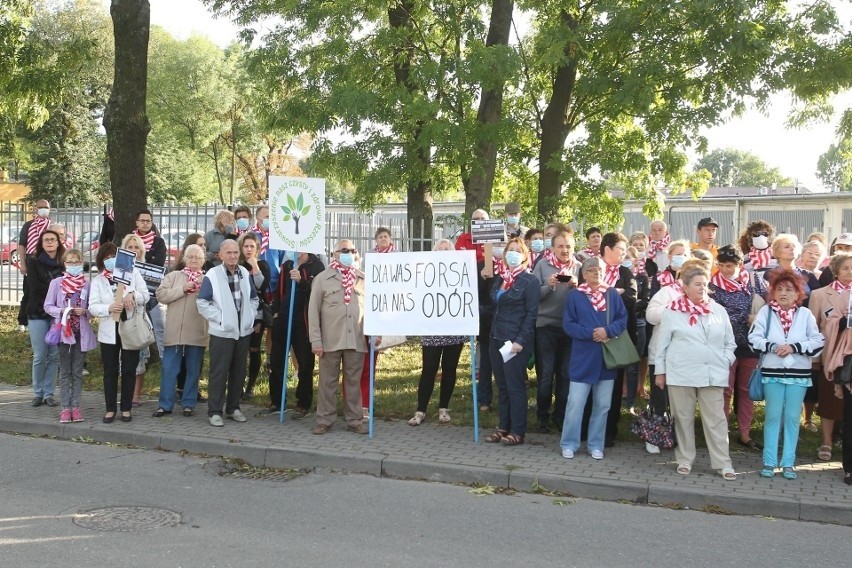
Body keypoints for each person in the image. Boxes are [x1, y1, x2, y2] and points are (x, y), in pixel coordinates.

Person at [654, 264, 737, 480]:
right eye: (697, 284)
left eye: (705, 284)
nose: (702, 288)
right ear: (685, 286)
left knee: (716, 420)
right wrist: (660, 373)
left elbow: (730, 342)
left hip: (712, 373)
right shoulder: (672, 311)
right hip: (680, 373)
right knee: (683, 418)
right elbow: (661, 345)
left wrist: (725, 360)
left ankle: (722, 463)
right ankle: (684, 459)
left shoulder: (718, 310)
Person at [749, 270, 825, 479]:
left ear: (797, 294)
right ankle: (769, 461)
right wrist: (773, 346)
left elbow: (818, 342)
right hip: (772, 372)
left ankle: (788, 463)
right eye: (779, 289)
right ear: (773, 292)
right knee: (773, 416)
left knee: (792, 418)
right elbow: (753, 338)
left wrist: (794, 347)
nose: (783, 293)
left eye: (788, 290)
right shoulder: (766, 312)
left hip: (798, 374)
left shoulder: (805, 314)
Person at [560, 257, 628, 459]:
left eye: (600, 270)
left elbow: (622, 319)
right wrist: (591, 333)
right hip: (583, 358)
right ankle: (569, 443)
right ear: (584, 273)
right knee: (575, 404)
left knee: (603, 405)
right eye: (591, 270)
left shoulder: (612, 294)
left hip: (606, 360)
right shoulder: (575, 296)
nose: (596, 273)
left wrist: (607, 331)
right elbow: (568, 325)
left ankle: (595, 444)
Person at [308, 240, 372, 435]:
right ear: (334, 254)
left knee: (353, 381)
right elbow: (313, 312)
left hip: (356, 339)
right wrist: (316, 340)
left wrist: (375, 335)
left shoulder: (363, 278)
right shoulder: (322, 278)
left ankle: (354, 420)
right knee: (327, 381)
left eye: (352, 250)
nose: (348, 253)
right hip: (330, 339)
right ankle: (325, 420)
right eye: (343, 250)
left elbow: (371, 310)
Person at [582, 232, 637, 447]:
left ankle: (608, 431)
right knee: (589, 383)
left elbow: (632, 297)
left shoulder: (625, 272)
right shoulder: (590, 267)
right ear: (607, 249)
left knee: (612, 386)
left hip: (616, 336)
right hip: (591, 337)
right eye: (620, 249)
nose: (624, 253)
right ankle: (586, 429)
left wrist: (607, 292)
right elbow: (583, 294)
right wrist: (615, 292)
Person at [196, 240, 258, 427]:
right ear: (221, 255)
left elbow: (254, 298)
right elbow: (202, 302)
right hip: (222, 332)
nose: (233, 256)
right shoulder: (213, 275)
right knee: (219, 372)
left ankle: (233, 408)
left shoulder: (245, 273)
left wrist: (250, 317)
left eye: (235, 252)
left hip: (243, 331)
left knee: (239, 371)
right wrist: (221, 319)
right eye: (229, 252)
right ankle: (215, 411)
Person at [484, 237, 539, 446]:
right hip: (495, 339)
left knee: (515, 386)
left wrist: (520, 341)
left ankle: (518, 431)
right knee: (503, 386)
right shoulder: (501, 278)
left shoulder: (530, 281)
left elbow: (531, 314)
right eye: (510, 250)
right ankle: (503, 426)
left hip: (514, 342)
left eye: (518, 250)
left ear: (525, 255)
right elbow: (494, 306)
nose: (513, 253)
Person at [710, 245, 764, 450]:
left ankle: (744, 433)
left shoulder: (751, 283)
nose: (725, 269)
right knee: (725, 390)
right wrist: (744, 317)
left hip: (749, 345)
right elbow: (714, 314)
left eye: (730, 266)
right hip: (724, 346)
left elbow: (766, 308)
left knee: (746, 391)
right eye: (721, 265)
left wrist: (757, 317)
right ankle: (721, 433)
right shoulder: (711, 286)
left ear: (740, 265)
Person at [88, 242, 149, 423]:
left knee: (129, 369)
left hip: (129, 327)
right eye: (106, 258)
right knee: (110, 370)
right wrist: (108, 307)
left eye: (113, 257)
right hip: (109, 328)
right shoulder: (98, 280)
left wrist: (133, 296)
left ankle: (126, 408)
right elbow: (92, 306)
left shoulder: (132, 273)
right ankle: (110, 408)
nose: (110, 261)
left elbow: (145, 295)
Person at [408, 239, 467, 426]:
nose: (443, 252)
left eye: (446, 249)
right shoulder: (426, 273)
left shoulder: (460, 274)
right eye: (439, 249)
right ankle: (421, 409)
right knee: (428, 370)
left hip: (453, 329)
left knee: (449, 370)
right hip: (432, 329)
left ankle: (443, 408)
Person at [153, 244, 209, 418]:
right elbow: (161, 295)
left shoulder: (208, 279)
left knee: (193, 370)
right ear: (184, 258)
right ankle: (165, 404)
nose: (193, 260)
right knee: (169, 368)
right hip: (174, 331)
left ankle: (188, 403)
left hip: (197, 331)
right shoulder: (173, 276)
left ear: (203, 261)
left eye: (197, 257)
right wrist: (183, 289)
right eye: (190, 256)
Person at [269, 249, 325, 417]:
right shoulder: (287, 265)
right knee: (277, 362)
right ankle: (277, 401)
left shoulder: (316, 265)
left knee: (305, 363)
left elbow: (318, 292)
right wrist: (276, 312)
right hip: (284, 319)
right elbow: (279, 290)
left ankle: (303, 402)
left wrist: (302, 281)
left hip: (303, 322)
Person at [532, 230, 579, 432]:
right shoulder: (542, 265)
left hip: (569, 328)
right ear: (552, 248)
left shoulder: (578, 266)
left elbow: (587, 297)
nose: (564, 250)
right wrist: (547, 285)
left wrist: (577, 287)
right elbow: (533, 295)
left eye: (568, 246)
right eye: (560, 246)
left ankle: (560, 417)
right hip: (546, 327)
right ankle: (542, 416)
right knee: (546, 374)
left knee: (565, 374)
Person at [807, 252, 852, 464]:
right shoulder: (820, 295)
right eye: (846, 268)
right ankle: (826, 441)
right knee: (829, 400)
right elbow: (813, 328)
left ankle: (845, 440)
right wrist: (814, 361)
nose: (850, 272)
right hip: (830, 356)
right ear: (835, 270)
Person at [43, 248, 95, 423]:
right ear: (64, 264)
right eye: (70, 262)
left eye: (77, 262)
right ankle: (65, 407)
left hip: (81, 332)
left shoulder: (87, 284)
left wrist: (85, 311)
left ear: (82, 264)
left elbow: (93, 309)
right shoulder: (57, 283)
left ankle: (76, 406)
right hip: (64, 332)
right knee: (65, 371)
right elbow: (48, 306)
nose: (73, 265)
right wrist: (63, 311)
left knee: (78, 371)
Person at [25, 229, 65, 407]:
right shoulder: (33, 261)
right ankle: (37, 393)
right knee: (40, 355)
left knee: (54, 355)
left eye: (53, 239)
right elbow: (35, 286)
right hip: (38, 312)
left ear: (58, 242)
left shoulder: (64, 262)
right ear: (41, 243)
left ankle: (49, 393)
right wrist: (55, 290)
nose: (49, 242)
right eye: (46, 240)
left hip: (57, 314)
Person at [238, 232, 271, 399]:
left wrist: (255, 267)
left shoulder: (263, 265)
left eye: (252, 246)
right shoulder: (236, 265)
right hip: (238, 312)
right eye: (246, 246)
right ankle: (238, 385)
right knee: (239, 350)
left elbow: (262, 287)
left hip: (257, 314)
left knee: (254, 348)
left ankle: (251, 385)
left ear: (257, 248)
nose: (249, 249)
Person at [120, 234, 151, 408]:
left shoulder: (144, 269)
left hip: (139, 318)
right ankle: (124, 393)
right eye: (129, 247)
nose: (133, 250)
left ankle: (136, 394)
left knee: (140, 356)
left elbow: (147, 295)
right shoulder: (118, 269)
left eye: (136, 247)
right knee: (122, 359)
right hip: (119, 318)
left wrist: (134, 295)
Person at [17, 199, 52, 331]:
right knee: (28, 291)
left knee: (48, 291)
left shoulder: (52, 226)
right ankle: (23, 320)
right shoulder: (28, 225)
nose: (43, 209)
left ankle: (46, 317)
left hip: (48, 262)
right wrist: (23, 264)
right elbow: (22, 245)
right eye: (41, 207)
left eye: (46, 207)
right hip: (31, 262)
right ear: (35, 209)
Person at [624, 245, 651, 413]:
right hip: (618, 323)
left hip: (638, 321)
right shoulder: (617, 275)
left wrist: (627, 307)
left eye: (629, 257)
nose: (626, 260)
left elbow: (646, 299)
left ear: (635, 260)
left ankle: (630, 401)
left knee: (634, 362)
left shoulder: (643, 277)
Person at [755, 234, 820, 301]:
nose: (792, 248)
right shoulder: (769, 274)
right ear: (778, 253)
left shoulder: (809, 275)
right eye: (787, 247)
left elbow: (817, 298)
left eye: (794, 246)